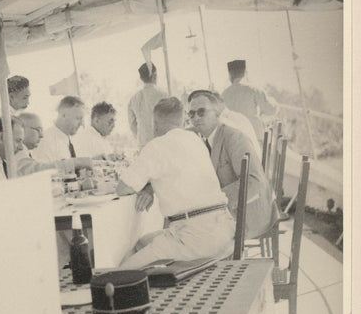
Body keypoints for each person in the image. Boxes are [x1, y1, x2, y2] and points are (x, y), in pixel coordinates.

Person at [116, 97, 234, 269]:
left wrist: (147, 186)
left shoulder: (156, 146)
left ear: (155, 123)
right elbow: (179, 176)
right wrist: (151, 187)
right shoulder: (197, 141)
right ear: (181, 120)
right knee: (141, 243)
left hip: (193, 237)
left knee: (122, 272)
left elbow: (123, 188)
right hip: (224, 230)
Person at [187, 90, 274, 239]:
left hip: (248, 216)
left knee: (190, 233)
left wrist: (213, 202)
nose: (196, 118)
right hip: (232, 211)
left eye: (201, 112)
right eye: (191, 114)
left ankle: (211, 259)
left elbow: (254, 182)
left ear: (217, 113)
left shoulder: (233, 138)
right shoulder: (207, 137)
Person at [188, 90, 261, 159]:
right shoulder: (237, 116)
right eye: (191, 114)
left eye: (202, 111)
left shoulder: (224, 124)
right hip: (253, 163)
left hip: (244, 168)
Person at [222, 60, 278, 141]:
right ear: (245, 73)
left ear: (230, 75)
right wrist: (274, 102)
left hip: (233, 139)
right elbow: (271, 110)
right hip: (255, 136)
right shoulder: (254, 89)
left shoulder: (224, 94)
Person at [32, 96, 85, 165]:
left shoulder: (69, 140)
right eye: (78, 118)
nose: (81, 124)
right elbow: (43, 173)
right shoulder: (46, 141)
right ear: (63, 115)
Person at [128, 63, 168, 149]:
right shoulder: (164, 95)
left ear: (141, 78)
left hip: (143, 144)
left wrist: (142, 136)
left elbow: (132, 125)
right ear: (155, 76)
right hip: (161, 142)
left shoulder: (133, 99)